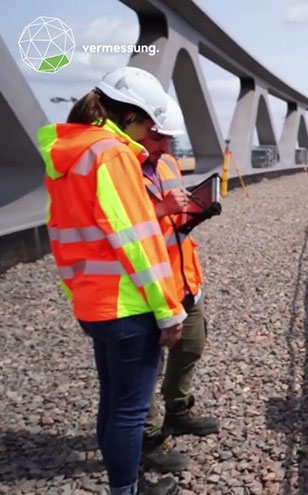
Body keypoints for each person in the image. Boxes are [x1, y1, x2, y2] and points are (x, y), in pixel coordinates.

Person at [39, 66, 186, 495]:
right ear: (130, 117)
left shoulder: (71, 155)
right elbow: (137, 239)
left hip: (94, 301)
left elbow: (63, 233)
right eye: (149, 126)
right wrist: (168, 310)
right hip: (129, 305)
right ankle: (127, 489)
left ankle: (128, 484)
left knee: (114, 403)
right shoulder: (113, 155)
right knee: (130, 410)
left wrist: (77, 292)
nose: (149, 136)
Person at [137, 96, 221, 473]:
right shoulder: (121, 171)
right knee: (145, 367)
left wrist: (193, 210)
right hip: (151, 288)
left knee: (191, 346)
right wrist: (161, 211)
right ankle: (150, 438)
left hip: (185, 278)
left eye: (170, 139)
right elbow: (121, 232)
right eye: (159, 139)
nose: (166, 148)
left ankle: (179, 409)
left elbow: (174, 217)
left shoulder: (167, 162)